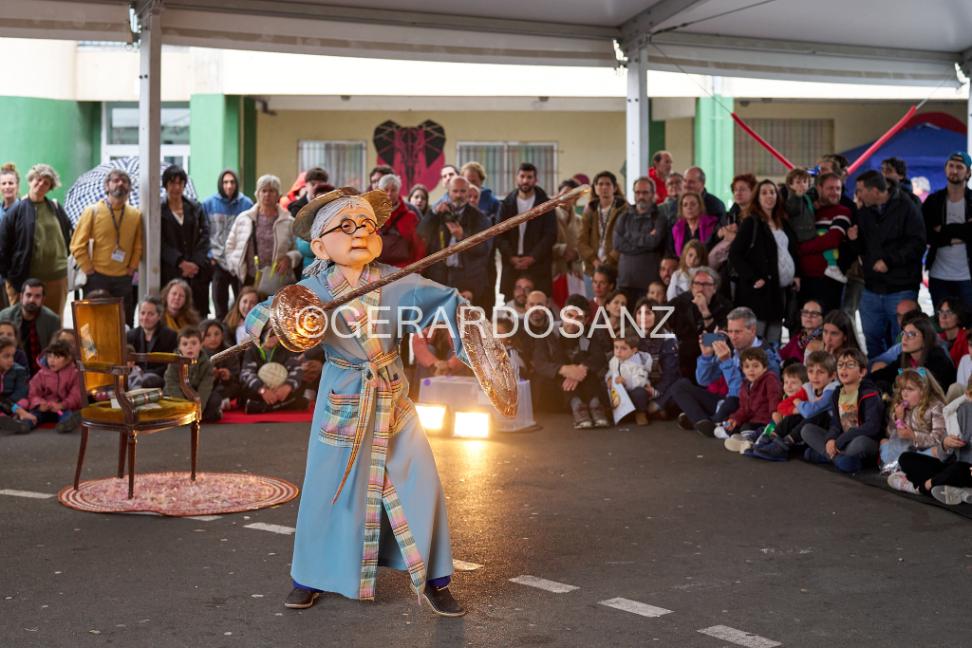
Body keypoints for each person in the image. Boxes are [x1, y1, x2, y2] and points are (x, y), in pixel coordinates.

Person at [249, 186, 473, 615]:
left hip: (393, 399)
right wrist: (272, 327)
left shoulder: (396, 281)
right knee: (327, 492)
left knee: (421, 484)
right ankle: (308, 578)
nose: (360, 233)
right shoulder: (313, 290)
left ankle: (436, 580)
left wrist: (470, 327)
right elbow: (266, 313)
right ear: (320, 246)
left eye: (367, 225)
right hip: (343, 396)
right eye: (346, 226)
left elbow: (446, 301)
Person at [671, 306, 780, 437]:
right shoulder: (733, 349)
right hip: (725, 403)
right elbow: (703, 380)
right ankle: (703, 421)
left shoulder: (767, 357)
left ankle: (706, 421)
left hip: (746, 409)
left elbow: (740, 395)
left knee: (731, 402)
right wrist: (706, 356)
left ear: (752, 330)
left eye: (737, 332)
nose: (733, 337)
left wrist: (726, 362)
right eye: (730, 331)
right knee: (679, 386)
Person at [853, 170, 926, 358]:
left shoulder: (907, 207)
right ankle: (876, 374)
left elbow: (918, 243)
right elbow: (861, 247)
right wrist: (853, 239)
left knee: (902, 341)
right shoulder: (863, 211)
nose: (858, 195)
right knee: (872, 339)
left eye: (861, 190)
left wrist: (890, 261)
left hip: (900, 287)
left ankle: (901, 374)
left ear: (875, 191)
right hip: (871, 287)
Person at [70, 169, 143, 326]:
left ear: (129, 188)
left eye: (125, 181)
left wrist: (132, 268)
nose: (120, 184)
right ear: (107, 186)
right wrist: (88, 269)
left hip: (123, 279)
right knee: (93, 323)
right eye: (116, 180)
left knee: (123, 323)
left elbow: (138, 246)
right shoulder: (92, 211)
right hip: (97, 278)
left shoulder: (135, 215)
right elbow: (77, 244)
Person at [528, 295, 611, 429]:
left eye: (578, 318)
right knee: (560, 376)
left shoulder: (589, 333)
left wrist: (581, 369)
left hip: (584, 382)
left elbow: (599, 357)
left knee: (589, 372)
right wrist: (564, 370)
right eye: (569, 316)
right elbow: (540, 363)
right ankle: (578, 407)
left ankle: (595, 406)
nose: (572, 322)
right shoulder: (548, 332)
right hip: (556, 389)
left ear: (586, 320)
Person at [0, 164, 72, 316]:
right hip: (27, 279)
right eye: (38, 180)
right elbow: (3, 247)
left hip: (57, 278)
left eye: (46, 183)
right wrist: (10, 279)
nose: (40, 184)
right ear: (30, 181)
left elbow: (68, 236)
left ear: (50, 188)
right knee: (24, 323)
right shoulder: (16, 210)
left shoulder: (55, 208)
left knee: (53, 322)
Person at [800, 347, 883, 473]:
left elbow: (872, 427)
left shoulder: (869, 394)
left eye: (850, 365)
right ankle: (840, 459)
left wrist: (840, 441)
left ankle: (829, 456)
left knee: (860, 443)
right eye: (840, 365)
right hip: (842, 443)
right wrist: (830, 439)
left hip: (862, 441)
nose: (843, 369)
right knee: (807, 430)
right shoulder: (837, 394)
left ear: (862, 372)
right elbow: (835, 423)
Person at [750, 351, 839, 461]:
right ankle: (771, 438)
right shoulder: (809, 387)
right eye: (811, 371)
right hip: (810, 426)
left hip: (829, 430)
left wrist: (798, 403)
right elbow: (782, 406)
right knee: (796, 415)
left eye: (820, 372)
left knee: (818, 414)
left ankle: (785, 444)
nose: (815, 376)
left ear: (832, 376)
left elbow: (810, 412)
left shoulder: (832, 390)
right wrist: (798, 409)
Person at [418, 176, 489, 308]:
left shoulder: (479, 218)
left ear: (468, 192)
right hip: (438, 276)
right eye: (455, 191)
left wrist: (462, 237)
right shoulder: (437, 213)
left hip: (466, 279)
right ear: (448, 192)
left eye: (462, 191)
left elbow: (483, 250)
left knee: (460, 317)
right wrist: (433, 213)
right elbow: (421, 233)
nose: (458, 195)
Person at [224, 174, 301, 292]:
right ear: (257, 194)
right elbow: (230, 245)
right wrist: (235, 266)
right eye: (263, 191)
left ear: (278, 195)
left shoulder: (288, 221)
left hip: (276, 280)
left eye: (271, 191)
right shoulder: (244, 218)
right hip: (248, 278)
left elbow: (299, 250)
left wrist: (290, 258)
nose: (267, 194)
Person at [797, 172, 853, 314]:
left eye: (838, 188)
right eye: (830, 188)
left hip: (828, 280)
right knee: (804, 323)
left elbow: (832, 240)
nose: (835, 192)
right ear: (819, 188)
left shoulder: (843, 211)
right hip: (803, 278)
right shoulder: (808, 210)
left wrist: (800, 248)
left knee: (827, 321)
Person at [160, 165, 212, 318]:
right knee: (172, 312)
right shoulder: (159, 210)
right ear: (165, 185)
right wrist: (180, 262)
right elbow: (159, 242)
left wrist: (195, 263)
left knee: (197, 312)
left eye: (180, 183)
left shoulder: (195, 207)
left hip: (196, 271)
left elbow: (205, 235)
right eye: (172, 183)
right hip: (171, 270)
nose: (176, 187)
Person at [496, 162, 555, 296]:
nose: (525, 181)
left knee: (538, 304)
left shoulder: (546, 204)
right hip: (512, 265)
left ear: (535, 180)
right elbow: (499, 234)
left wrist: (532, 257)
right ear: (516, 178)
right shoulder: (506, 204)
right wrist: (511, 257)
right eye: (522, 176)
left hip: (538, 264)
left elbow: (550, 235)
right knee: (510, 305)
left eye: (529, 177)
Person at [922, 151, 972, 308]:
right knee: (941, 319)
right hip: (939, 275)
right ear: (945, 169)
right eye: (951, 166)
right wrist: (961, 233)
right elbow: (926, 235)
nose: (954, 171)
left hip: (967, 277)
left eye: (959, 167)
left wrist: (943, 230)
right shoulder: (934, 201)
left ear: (968, 172)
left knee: (968, 320)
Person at [203, 169, 255, 320]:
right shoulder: (208, 204)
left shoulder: (246, 204)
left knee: (241, 302)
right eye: (225, 182)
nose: (229, 186)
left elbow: (251, 234)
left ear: (237, 184)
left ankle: (239, 330)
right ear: (220, 184)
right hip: (217, 259)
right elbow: (204, 232)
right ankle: (221, 331)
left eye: (232, 182)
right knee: (219, 303)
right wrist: (210, 255)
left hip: (238, 260)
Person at [881, 369, 946, 479]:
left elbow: (938, 439)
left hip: (924, 452)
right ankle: (898, 468)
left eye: (910, 389)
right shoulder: (901, 408)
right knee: (884, 441)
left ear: (923, 391)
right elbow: (891, 434)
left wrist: (914, 436)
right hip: (906, 450)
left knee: (936, 452)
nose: (904, 394)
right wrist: (898, 419)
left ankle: (898, 468)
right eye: (902, 389)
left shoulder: (936, 407)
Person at [668, 266, 732, 378]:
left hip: (709, 360)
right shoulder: (678, 303)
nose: (700, 289)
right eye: (697, 283)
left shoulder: (724, 307)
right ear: (692, 286)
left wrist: (704, 310)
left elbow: (720, 340)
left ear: (714, 288)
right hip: (680, 358)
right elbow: (662, 326)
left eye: (706, 284)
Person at [613, 176, 668, 305]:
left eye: (645, 192)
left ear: (653, 194)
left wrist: (628, 235)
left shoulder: (659, 218)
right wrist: (645, 241)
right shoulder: (623, 217)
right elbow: (618, 244)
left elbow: (654, 242)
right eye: (638, 192)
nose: (641, 196)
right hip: (625, 282)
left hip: (649, 284)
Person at [869, 316, 956, 395]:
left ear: (925, 339)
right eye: (903, 333)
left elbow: (933, 392)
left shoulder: (939, 361)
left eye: (911, 334)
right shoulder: (904, 358)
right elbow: (885, 374)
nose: (904, 338)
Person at [721, 347, 782, 453]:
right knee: (730, 424)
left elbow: (774, 396)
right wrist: (735, 419)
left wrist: (774, 412)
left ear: (764, 367)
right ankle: (736, 437)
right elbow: (744, 409)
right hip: (752, 420)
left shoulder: (770, 378)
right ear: (742, 369)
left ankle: (748, 443)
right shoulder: (745, 385)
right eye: (747, 366)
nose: (751, 370)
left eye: (755, 366)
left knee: (746, 427)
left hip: (766, 421)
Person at [18, 339, 82, 434]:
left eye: (57, 357)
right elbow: (33, 392)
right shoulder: (41, 374)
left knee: (67, 415)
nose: (51, 360)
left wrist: (62, 405)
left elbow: (76, 395)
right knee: (34, 415)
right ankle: (24, 424)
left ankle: (65, 425)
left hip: (61, 408)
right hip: (45, 408)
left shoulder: (74, 374)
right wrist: (39, 404)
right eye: (49, 356)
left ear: (68, 358)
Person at [0, 279, 61, 377]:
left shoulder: (53, 320)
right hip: (10, 369)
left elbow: (55, 350)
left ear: (43, 299)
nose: (32, 300)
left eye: (37, 296)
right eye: (28, 295)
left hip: (41, 371)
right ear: (21, 297)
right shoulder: (4, 317)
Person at [163, 326, 222, 422]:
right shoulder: (174, 362)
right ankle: (190, 417)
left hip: (196, 396)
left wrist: (198, 410)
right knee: (166, 400)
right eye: (185, 344)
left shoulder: (207, 364)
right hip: (178, 396)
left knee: (215, 399)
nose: (189, 347)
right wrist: (183, 409)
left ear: (201, 345)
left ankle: (196, 417)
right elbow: (172, 385)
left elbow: (205, 388)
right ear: (179, 347)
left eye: (194, 343)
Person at [633, 297, 679, 414]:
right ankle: (655, 409)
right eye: (639, 313)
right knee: (638, 394)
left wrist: (655, 391)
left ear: (657, 316)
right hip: (639, 384)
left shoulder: (667, 338)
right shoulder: (630, 335)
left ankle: (658, 406)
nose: (643, 317)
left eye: (648, 313)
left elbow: (670, 374)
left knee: (680, 387)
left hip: (661, 385)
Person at [578, 170, 627, 276]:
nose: (604, 187)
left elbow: (626, 239)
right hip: (592, 267)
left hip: (616, 267)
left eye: (608, 184)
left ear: (615, 188)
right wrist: (594, 260)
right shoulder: (590, 210)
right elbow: (581, 241)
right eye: (600, 184)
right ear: (595, 188)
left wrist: (610, 259)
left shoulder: (624, 209)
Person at [127, 297, 178, 389]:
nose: (145, 318)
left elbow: (170, 365)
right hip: (133, 378)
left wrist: (145, 373)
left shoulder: (171, 336)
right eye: (142, 313)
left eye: (150, 314)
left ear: (159, 316)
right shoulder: (130, 335)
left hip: (161, 379)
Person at [377, 174, 425, 268]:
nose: (389, 193)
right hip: (377, 271)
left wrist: (415, 269)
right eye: (386, 190)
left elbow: (419, 246)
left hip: (403, 271)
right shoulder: (372, 216)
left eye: (393, 190)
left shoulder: (410, 217)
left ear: (398, 191)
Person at [609, 333, 653, 425]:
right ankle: (620, 414)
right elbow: (610, 372)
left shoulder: (638, 363)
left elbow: (641, 381)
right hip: (619, 393)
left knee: (640, 393)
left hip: (632, 392)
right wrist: (609, 379)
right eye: (616, 347)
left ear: (633, 350)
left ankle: (640, 413)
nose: (618, 351)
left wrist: (626, 382)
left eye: (623, 348)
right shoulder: (614, 360)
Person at [200, 318, 240, 409]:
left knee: (237, 387)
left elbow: (237, 377)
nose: (213, 338)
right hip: (204, 388)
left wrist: (229, 376)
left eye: (217, 334)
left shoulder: (230, 352)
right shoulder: (197, 353)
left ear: (222, 335)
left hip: (224, 388)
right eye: (208, 335)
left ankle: (218, 402)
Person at [670, 192, 718, 258]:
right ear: (682, 209)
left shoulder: (711, 225)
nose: (689, 207)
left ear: (700, 207)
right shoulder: (676, 228)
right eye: (685, 205)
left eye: (693, 204)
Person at [0, 336, 31, 434]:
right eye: (6, 356)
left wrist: (10, 405)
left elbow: (21, 391)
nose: (11, 360)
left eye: (12, 356)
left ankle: (13, 419)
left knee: (24, 402)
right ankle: (5, 418)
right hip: (4, 403)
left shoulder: (19, 370)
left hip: (11, 401)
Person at [937, 299, 970, 367]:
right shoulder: (937, 339)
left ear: (960, 316)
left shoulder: (967, 338)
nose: (943, 316)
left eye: (949, 312)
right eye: (941, 312)